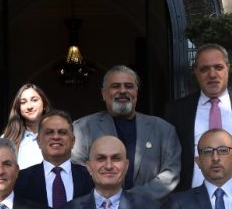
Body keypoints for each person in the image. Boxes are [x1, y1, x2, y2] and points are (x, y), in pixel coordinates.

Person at [163, 43, 232, 192]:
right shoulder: (176, 111)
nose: (212, 74)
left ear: (228, 68)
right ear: (196, 72)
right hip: (191, 203)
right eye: (204, 69)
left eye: (218, 67)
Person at [71, 65, 180, 201]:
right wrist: (109, 199)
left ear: (136, 93)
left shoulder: (163, 129)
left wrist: (132, 199)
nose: (122, 91)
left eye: (128, 86)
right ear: (104, 94)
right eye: (115, 86)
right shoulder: (82, 127)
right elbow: (77, 170)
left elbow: (171, 174)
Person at [14, 110, 93, 209]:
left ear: (73, 141)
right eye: (49, 132)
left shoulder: (90, 177)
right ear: (38, 141)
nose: (56, 137)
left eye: (62, 132)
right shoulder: (20, 179)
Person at [0, 83, 52, 170]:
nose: (29, 106)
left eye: (34, 100)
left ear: (44, 105)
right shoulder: (7, 139)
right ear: (18, 108)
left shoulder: (58, 136)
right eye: (23, 102)